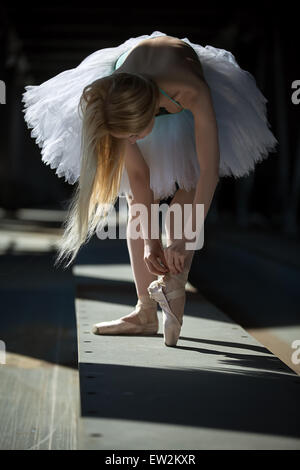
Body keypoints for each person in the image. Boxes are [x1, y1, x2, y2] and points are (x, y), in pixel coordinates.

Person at [22, 31, 278, 347]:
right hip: (131, 77)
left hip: (179, 81)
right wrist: (149, 243)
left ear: (150, 115)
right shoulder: (117, 98)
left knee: (190, 184)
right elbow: (140, 178)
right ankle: (145, 311)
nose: (131, 142)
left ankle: (174, 286)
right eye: (125, 138)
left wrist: (185, 239)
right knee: (136, 198)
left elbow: (209, 171)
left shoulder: (191, 91)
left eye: (132, 136)